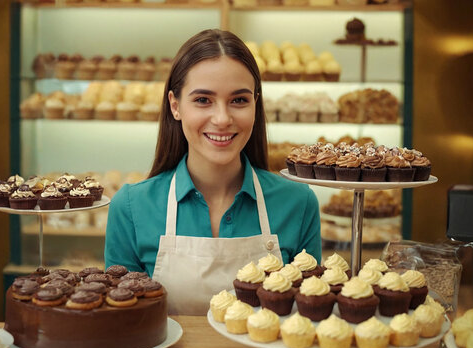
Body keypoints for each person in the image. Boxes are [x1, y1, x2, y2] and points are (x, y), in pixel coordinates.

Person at [105, 29, 321, 315]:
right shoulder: (131, 208)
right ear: (175, 106)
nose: (222, 119)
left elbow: (308, 321)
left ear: (256, 105)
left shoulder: (299, 203)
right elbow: (122, 327)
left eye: (239, 100)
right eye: (203, 100)